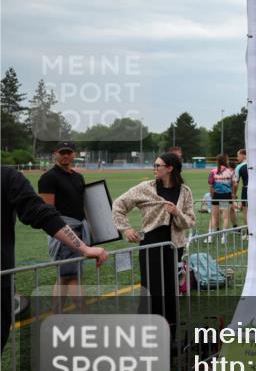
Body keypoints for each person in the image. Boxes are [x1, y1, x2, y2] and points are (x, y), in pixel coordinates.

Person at [2, 166, 108, 350]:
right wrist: (83, 247)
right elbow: (43, 212)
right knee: (69, 277)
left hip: (3, 280)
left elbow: (42, 213)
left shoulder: (77, 177)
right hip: (4, 277)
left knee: (66, 277)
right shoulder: (37, 177)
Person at [112, 153, 196, 341]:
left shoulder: (185, 191)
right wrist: (125, 229)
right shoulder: (145, 188)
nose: (154, 168)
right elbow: (118, 205)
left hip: (174, 247)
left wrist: (176, 213)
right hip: (151, 245)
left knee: (170, 292)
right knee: (152, 291)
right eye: (155, 165)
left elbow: (189, 222)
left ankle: (170, 337)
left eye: (158, 165)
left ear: (170, 168)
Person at [37, 141, 88, 303]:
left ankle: (61, 316)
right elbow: (48, 212)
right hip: (64, 233)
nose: (65, 155)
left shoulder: (78, 177)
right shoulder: (48, 178)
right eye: (62, 152)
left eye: (69, 152)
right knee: (69, 277)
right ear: (55, 154)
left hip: (79, 231)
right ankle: (78, 317)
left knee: (70, 276)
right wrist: (64, 233)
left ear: (74, 154)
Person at [207, 154, 235, 242]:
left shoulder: (213, 171)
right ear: (225, 160)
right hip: (226, 195)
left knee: (213, 217)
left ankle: (210, 237)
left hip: (216, 195)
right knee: (225, 217)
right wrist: (233, 193)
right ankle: (224, 238)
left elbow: (211, 185)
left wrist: (212, 195)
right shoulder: (230, 171)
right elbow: (234, 183)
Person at [233, 149, 249, 226]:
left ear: (244, 155)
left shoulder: (239, 167)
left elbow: (235, 183)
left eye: (238, 155)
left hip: (246, 190)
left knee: (246, 212)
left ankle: (249, 233)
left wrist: (234, 194)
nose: (237, 158)